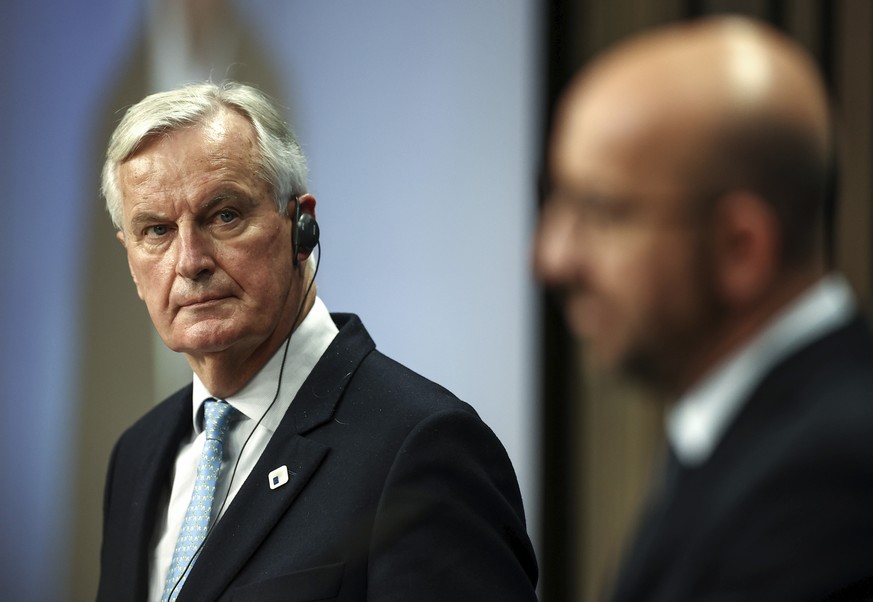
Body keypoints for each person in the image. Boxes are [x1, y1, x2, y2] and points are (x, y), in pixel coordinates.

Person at [96, 81, 538, 601]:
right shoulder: (138, 454)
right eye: (156, 231)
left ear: (299, 225)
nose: (190, 261)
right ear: (129, 257)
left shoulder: (423, 448)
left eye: (224, 215)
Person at [534, 15, 873, 601]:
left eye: (600, 211)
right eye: (556, 202)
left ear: (740, 248)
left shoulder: (829, 481)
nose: (552, 259)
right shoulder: (754, 430)